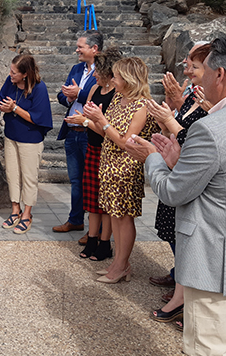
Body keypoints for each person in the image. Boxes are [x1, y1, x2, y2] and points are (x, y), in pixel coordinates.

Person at [126, 35, 226, 355]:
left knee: (210, 347)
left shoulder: (211, 128)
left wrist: (153, 159)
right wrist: (178, 162)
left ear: (220, 75)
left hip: (215, 264)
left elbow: (172, 192)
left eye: (205, 69)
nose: (199, 77)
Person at [146, 43, 211, 324]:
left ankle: (183, 297)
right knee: (176, 237)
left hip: (189, 176)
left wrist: (170, 120)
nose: (188, 70)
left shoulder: (212, 104)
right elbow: (179, 131)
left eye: (194, 66)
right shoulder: (194, 97)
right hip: (176, 170)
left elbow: (195, 140)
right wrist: (168, 118)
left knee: (188, 241)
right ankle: (179, 280)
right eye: (188, 64)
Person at [83, 57, 158, 284]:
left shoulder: (142, 106)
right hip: (108, 164)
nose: (113, 80)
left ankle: (123, 265)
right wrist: (92, 119)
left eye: (116, 76)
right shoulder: (118, 98)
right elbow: (107, 132)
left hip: (126, 169)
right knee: (114, 215)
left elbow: (126, 142)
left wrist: (102, 120)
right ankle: (117, 262)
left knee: (124, 218)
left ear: (128, 79)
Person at [64, 47, 121, 260]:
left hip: (108, 151)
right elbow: (88, 115)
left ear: (108, 71)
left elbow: (109, 131)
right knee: (92, 200)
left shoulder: (117, 93)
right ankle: (92, 238)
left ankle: (105, 244)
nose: (94, 73)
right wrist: (82, 119)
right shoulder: (95, 88)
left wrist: (85, 122)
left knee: (105, 202)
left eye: (98, 70)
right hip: (92, 147)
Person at [53, 30, 101, 237]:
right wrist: (69, 97)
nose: (77, 50)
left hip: (91, 132)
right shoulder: (76, 69)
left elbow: (103, 97)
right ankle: (75, 220)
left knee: (93, 182)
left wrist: (79, 94)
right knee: (75, 181)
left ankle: (96, 229)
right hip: (72, 132)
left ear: (94, 48)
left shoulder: (105, 70)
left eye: (81, 46)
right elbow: (61, 95)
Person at [0, 54, 52, 234]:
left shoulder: (39, 88)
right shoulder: (10, 82)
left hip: (30, 138)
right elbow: (1, 101)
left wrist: (14, 108)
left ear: (25, 74)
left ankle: (27, 214)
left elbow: (37, 118)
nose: (10, 74)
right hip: (11, 135)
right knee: (12, 174)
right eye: (10, 71)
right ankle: (15, 210)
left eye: (14, 72)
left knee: (29, 177)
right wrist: (5, 107)